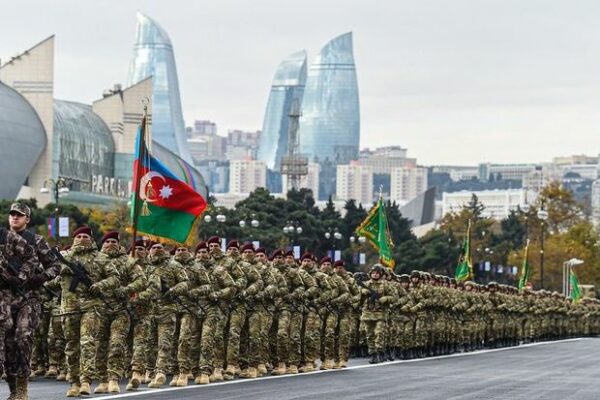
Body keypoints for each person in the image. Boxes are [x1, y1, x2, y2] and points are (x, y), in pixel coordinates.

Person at [61, 226, 120, 397]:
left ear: (92, 239)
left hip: (91, 305)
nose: (81, 239)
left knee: (87, 342)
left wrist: (99, 285)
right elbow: (50, 272)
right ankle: (73, 382)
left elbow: (114, 278)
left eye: (85, 236)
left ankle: (86, 380)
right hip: (69, 307)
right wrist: (61, 270)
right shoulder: (65, 257)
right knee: (71, 345)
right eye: (78, 236)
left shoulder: (100, 258)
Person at [0, 203, 41, 400]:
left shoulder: (34, 240)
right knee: (7, 347)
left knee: (23, 337)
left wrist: (36, 278)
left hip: (27, 298)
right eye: (12, 215)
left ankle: (23, 386)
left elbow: (52, 264)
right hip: (4, 300)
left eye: (19, 215)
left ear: (27, 219)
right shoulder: (4, 236)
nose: (15, 218)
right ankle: (13, 390)